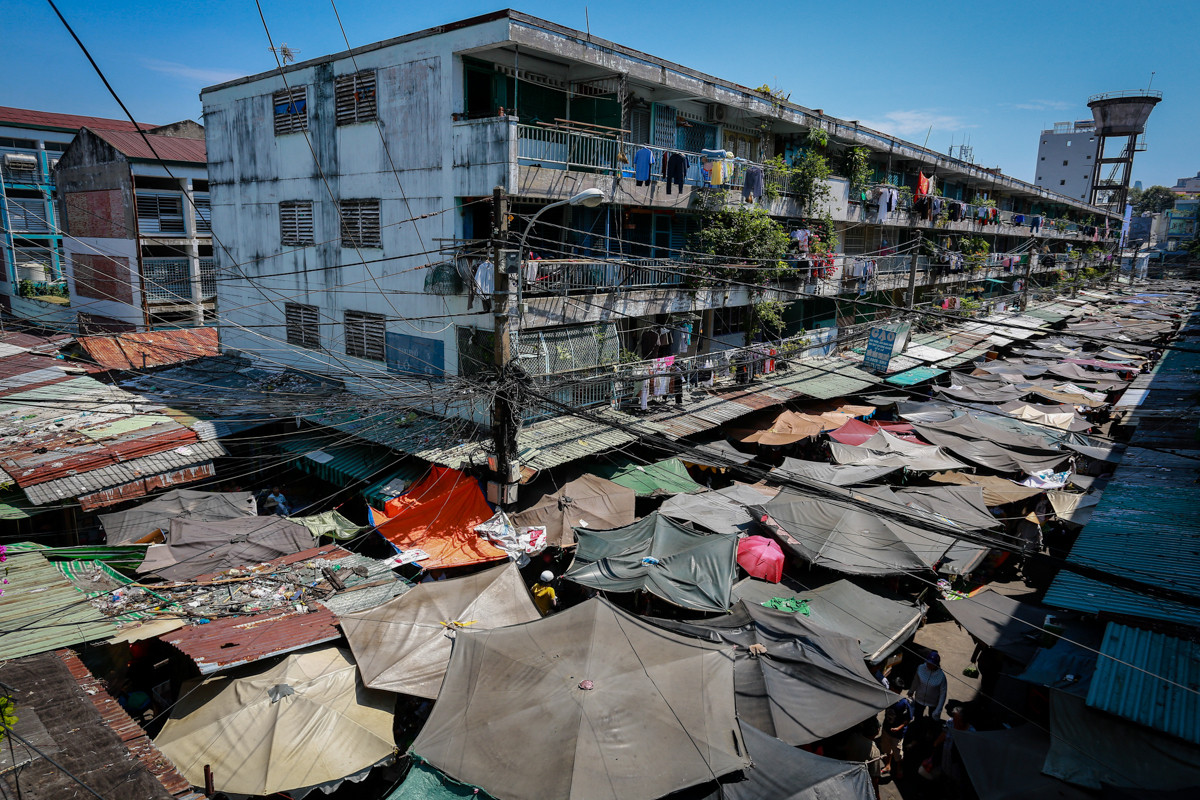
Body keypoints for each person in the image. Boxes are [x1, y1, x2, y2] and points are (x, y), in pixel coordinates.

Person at [879, 677, 913, 779]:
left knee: (898, 754)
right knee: (887, 750)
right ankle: (888, 765)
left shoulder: (904, 703)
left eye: (891, 688)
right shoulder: (888, 697)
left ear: (897, 690)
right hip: (886, 730)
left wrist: (898, 728)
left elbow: (907, 720)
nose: (889, 688)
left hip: (897, 734)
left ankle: (899, 768)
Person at [842, 717, 882, 799]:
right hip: (861, 783)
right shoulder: (874, 752)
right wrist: (877, 796)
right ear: (877, 731)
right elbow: (874, 778)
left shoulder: (853, 737)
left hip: (849, 775)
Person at [910, 651, 948, 718]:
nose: (929, 665)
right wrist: (911, 691)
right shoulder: (921, 668)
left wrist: (939, 709)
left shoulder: (941, 677)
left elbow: (943, 694)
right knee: (917, 717)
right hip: (919, 699)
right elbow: (916, 681)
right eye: (928, 663)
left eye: (931, 664)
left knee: (932, 720)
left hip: (933, 703)